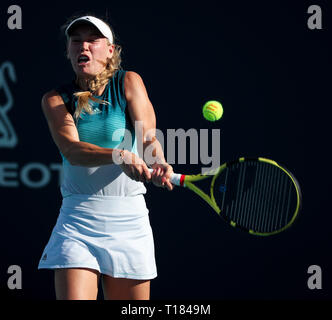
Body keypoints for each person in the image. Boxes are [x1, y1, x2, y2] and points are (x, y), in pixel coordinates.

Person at [38, 14, 173, 300]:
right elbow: (72, 151)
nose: (83, 47)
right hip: (78, 221)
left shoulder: (129, 82)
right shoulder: (56, 98)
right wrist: (119, 155)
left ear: (110, 50)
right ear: (69, 51)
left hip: (129, 221)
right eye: (76, 41)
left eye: (92, 40)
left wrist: (158, 161)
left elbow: (148, 138)